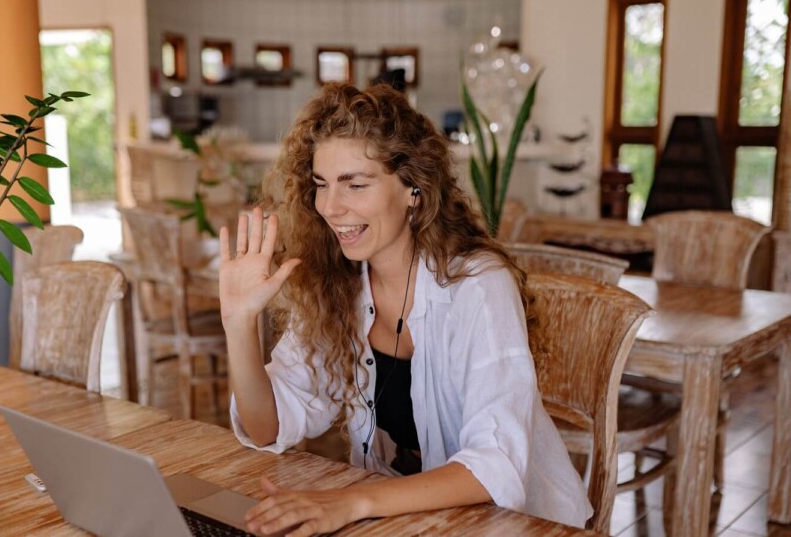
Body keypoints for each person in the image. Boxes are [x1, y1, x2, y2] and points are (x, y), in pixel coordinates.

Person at [217, 83, 592, 536]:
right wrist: (238, 324)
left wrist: (352, 502)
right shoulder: (337, 284)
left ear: (414, 187)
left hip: (516, 523)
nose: (331, 208)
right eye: (322, 185)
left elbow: (495, 465)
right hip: (403, 517)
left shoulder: (478, 286)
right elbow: (266, 428)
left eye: (355, 184)